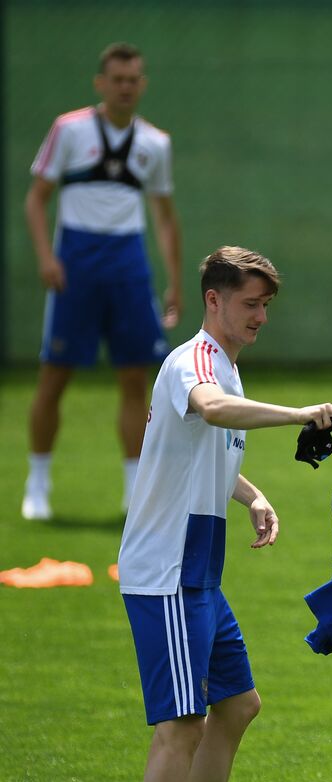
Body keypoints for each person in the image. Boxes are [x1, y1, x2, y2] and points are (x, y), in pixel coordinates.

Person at [118, 246, 332, 782]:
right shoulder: (193, 361)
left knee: (238, 706)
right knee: (180, 726)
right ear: (214, 300)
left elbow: (200, 441)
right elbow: (213, 410)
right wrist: (299, 414)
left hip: (198, 569)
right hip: (167, 569)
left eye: (266, 306)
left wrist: (250, 494)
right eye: (251, 304)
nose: (260, 317)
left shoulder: (225, 365)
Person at [22, 42, 182, 521]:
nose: (125, 87)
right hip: (76, 264)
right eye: (117, 79)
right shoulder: (69, 129)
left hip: (129, 267)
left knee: (135, 378)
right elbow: (36, 199)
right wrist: (47, 257)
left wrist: (174, 282)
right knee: (55, 374)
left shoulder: (156, 143)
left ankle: (135, 492)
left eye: (133, 80)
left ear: (142, 85)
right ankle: (37, 484)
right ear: (101, 83)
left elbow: (165, 218)